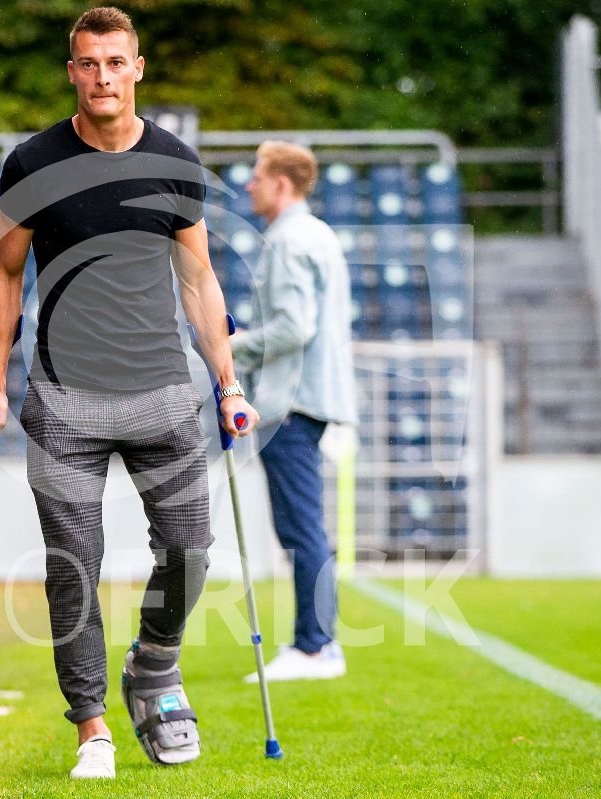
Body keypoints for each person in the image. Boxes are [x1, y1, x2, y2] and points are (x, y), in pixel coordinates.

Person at [0, 6, 259, 780]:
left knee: (189, 550)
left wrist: (228, 383)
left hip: (163, 392)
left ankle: (153, 663)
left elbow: (198, 279)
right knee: (74, 565)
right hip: (64, 401)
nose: (103, 77)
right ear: (73, 71)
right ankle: (91, 726)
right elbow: (5, 274)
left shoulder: (174, 161)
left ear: (138, 68)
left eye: (115, 62)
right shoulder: (32, 162)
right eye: (89, 63)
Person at [230, 141, 358, 682]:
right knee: (304, 526)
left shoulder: (287, 239)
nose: (249, 185)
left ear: (281, 184)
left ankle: (315, 646)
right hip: (312, 395)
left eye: (258, 176)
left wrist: (230, 347)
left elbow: (293, 328)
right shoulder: (318, 233)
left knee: (301, 528)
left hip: (291, 400)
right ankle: (316, 643)